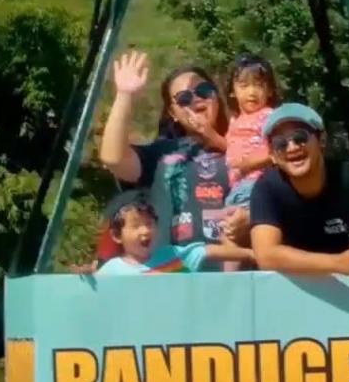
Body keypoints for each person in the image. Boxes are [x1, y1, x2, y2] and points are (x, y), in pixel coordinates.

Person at [97, 52, 245, 259]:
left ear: (216, 98)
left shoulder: (248, 143)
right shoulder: (160, 152)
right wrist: (125, 95)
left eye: (203, 90)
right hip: (171, 273)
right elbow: (113, 157)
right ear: (173, 113)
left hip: (240, 274)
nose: (196, 98)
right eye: (184, 98)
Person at [248, 103, 349, 278]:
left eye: (300, 137)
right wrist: (337, 263)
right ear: (272, 155)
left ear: (322, 140)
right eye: (280, 143)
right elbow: (266, 256)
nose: (292, 147)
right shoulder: (266, 188)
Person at [97, 193, 253, 275]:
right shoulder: (112, 271)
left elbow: (207, 251)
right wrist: (85, 277)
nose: (145, 230)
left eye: (149, 224)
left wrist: (251, 254)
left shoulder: (173, 255)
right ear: (117, 235)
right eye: (136, 226)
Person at [223, 53, 281, 208]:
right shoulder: (235, 121)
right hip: (237, 188)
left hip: (258, 183)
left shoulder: (268, 116)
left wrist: (246, 164)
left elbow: (276, 149)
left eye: (259, 85)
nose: (252, 92)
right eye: (244, 86)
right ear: (232, 91)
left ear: (269, 90)